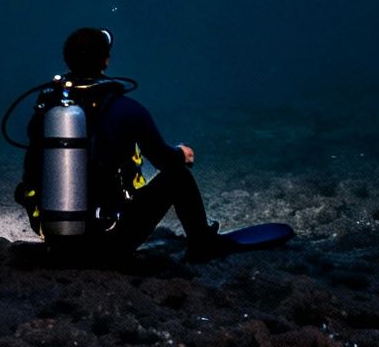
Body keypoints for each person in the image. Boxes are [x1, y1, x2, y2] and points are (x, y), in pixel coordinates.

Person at [21, 27, 236, 263]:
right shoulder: (127, 109)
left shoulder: (47, 110)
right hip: (110, 243)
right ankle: (202, 243)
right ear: (106, 60)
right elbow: (163, 160)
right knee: (179, 177)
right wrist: (180, 154)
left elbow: (31, 170)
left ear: (67, 59)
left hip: (56, 240)